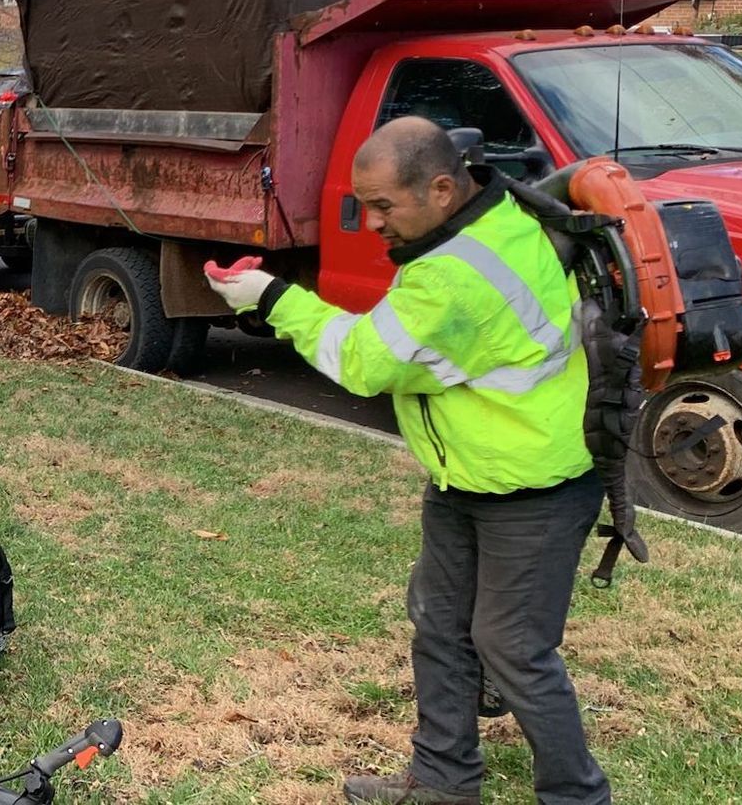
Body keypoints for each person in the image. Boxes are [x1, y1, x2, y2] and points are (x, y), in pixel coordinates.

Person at [205, 117, 608, 805]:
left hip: (536, 486)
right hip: (471, 476)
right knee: (440, 623)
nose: (373, 223)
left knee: (514, 651)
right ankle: (443, 781)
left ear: (443, 189)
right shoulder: (495, 212)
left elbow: (365, 362)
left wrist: (272, 298)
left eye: (386, 206)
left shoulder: (452, 278)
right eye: (364, 204)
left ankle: (578, 797)